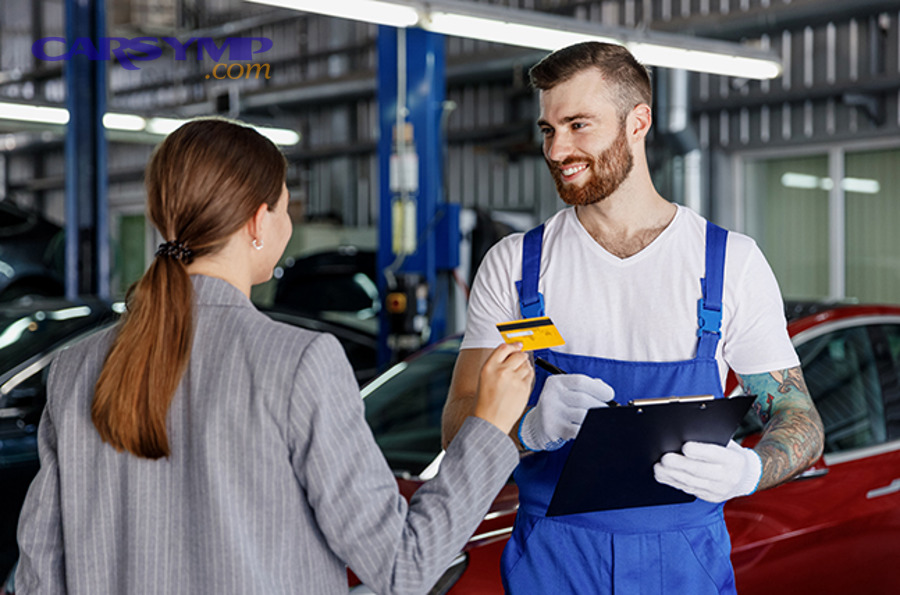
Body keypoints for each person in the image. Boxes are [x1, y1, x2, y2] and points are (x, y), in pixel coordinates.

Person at [16, 118, 534, 595]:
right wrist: (489, 427)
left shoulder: (73, 369)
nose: (286, 222)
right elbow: (404, 567)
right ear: (258, 222)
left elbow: (39, 577)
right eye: (285, 206)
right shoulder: (300, 362)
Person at [441, 42, 824, 594]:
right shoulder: (516, 267)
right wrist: (526, 428)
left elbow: (798, 416)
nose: (558, 149)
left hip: (685, 563)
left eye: (578, 125)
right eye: (549, 129)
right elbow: (455, 428)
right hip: (552, 562)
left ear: (638, 122)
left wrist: (752, 470)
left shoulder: (728, 264)